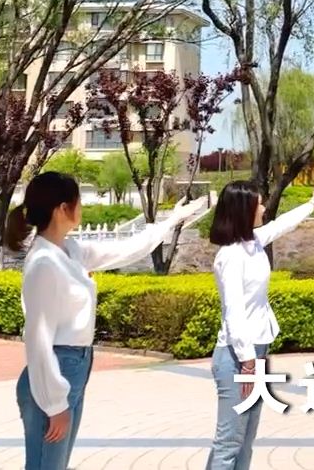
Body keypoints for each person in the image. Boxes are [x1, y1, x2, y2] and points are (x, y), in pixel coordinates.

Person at [11, 171, 206, 470]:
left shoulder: (70, 251)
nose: (82, 208)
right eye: (78, 201)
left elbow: (126, 249)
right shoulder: (44, 263)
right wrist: (54, 404)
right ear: (62, 209)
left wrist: (172, 220)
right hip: (54, 374)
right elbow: (38, 340)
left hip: (73, 369)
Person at [206, 177, 314, 470]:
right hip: (237, 358)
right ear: (243, 210)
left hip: (256, 352)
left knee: (245, 440)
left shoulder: (253, 242)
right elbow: (234, 313)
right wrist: (248, 363)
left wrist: (313, 202)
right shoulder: (230, 256)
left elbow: (283, 225)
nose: (264, 208)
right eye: (259, 204)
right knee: (229, 443)